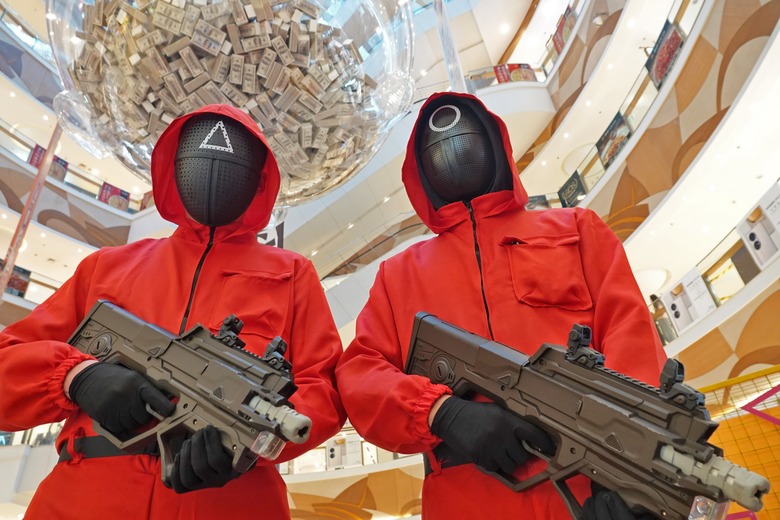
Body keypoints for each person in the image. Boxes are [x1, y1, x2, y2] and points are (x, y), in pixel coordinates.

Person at [0, 104, 346, 519]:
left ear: (260, 180)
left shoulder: (292, 273)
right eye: (199, 159)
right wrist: (76, 376)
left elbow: (322, 390)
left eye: (235, 163)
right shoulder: (106, 266)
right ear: (173, 168)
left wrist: (252, 442)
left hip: (233, 500)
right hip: (82, 496)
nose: (216, 171)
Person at [335, 92, 667, 519]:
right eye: (438, 148)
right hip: (466, 499)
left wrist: (629, 463)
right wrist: (441, 412)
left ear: (496, 145)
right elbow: (360, 373)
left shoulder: (576, 229)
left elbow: (631, 332)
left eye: (466, 137)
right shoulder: (398, 275)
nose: (453, 151)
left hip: (591, 492)